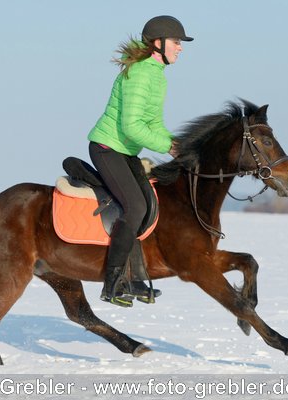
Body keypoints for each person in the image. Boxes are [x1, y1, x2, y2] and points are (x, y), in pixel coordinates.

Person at [87, 15, 193, 307]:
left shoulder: (157, 75)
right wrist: (166, 147)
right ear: (158, 44)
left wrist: (177, 144)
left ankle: (133, 279)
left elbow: (153, 123)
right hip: (108, 148)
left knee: (149, 205)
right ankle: (113, 284)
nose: (180, 48)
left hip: (126, 152)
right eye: (176, 42)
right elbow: (133, 126)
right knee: (135, 207)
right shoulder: (140, 74)